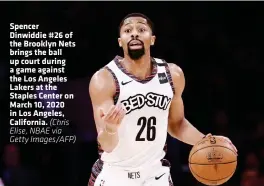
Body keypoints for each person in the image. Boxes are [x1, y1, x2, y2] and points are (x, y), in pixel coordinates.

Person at [88, 13, 237, 186]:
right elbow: (106, 144)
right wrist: (111, 129)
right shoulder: (104, 80)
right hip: (115, 174)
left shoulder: (172, 74)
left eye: (141, 29)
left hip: (155, 175)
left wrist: (209, 142)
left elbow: (177, 124)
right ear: (120, 41)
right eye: (128, 30)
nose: (134, 33)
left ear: (152, 39)